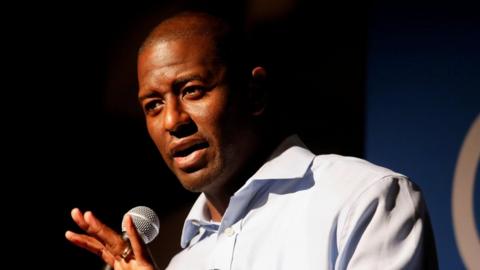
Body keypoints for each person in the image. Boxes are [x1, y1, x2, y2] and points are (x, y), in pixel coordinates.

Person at [65, 10, 438, 270]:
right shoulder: (183, 263)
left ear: (254, 93)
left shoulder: (363, 199)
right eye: (153, 105)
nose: (172, 120)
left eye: (193, 91)